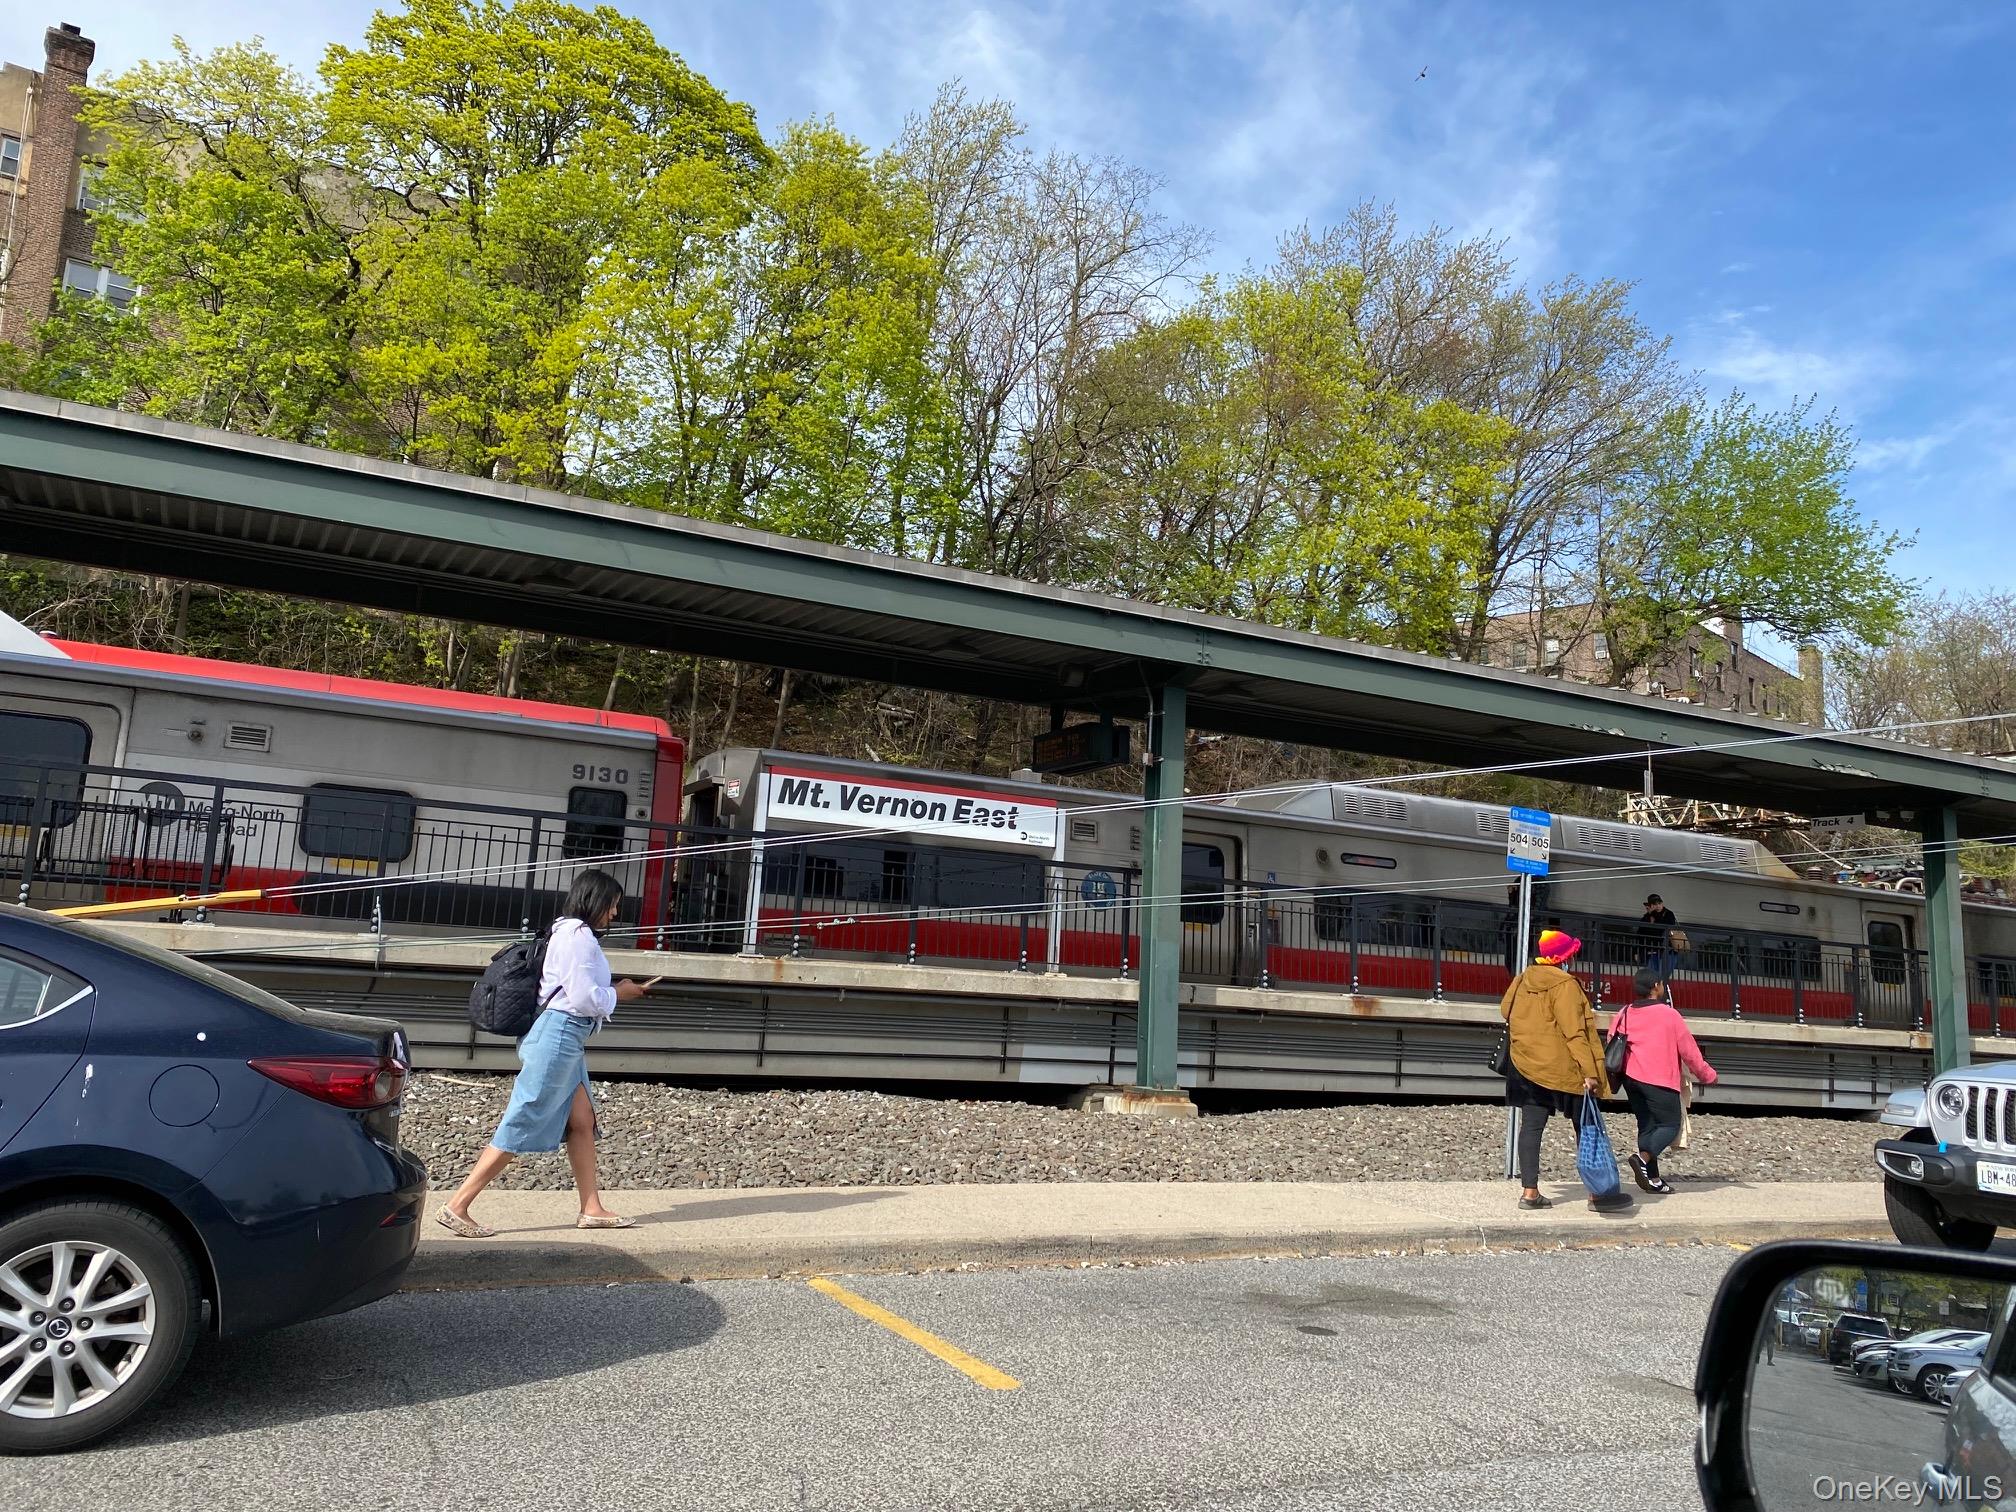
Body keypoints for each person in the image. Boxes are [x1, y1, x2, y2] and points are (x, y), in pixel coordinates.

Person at [438, 868, 653, 1236]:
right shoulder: (578, 936)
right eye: (612, 905)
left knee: (582, 1120)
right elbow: (584, 998)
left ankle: (591, 1207)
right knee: (525, 1115)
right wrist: (622, 993)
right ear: (595, 900)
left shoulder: (565, 930)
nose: (615, 914)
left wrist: (614, 990)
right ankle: (457, 1205)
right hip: (560, 1036)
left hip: (564, 1036)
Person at [1500, 928, 1634, 1212]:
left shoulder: (1522, 979)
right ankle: (1598, 1194)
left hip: (1526, 1064)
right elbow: (1574, 1033)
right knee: (1585, 1125)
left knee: (1532, 1127)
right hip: (1563, 1068)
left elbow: (1504, 1010)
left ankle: (1530, 1193)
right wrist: (1590, 1073)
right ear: (1563, 957)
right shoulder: (1565, 985)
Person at [1612, 967, 1718, 1195]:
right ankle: (1642, 1158)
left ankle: (1654, 1180)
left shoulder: (1624, 1012)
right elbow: (1690, 1052)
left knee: (1648, 1126)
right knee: (1670, 1125)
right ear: (1655, 987)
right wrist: (1708, 1074)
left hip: (1631, 1079)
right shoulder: (1669, 1015)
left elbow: (1613, 1041)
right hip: (1659, 1080)